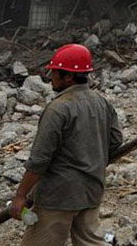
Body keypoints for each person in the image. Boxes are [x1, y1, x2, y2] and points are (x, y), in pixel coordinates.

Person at [9, 44, 123, 246]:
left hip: (58, 196)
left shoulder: (58, 109)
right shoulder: (102, 102)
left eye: (54, 72)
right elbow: (115, 142)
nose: (51, 76)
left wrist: (20, 196)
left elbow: (40, 159)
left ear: (68, 77)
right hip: (91, 190)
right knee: (91, 242)